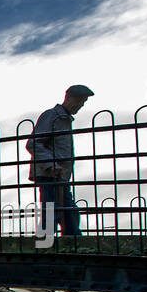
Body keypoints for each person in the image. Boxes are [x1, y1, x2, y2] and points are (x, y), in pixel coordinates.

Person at [26, 84, 93, 238]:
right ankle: (45, 248)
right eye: (80, 101)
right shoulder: (53, 116)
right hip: (50, 174)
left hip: (59, 176)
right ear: (69, 98)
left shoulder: (63, 119)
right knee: (53, 215)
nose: (81, 106)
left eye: (83, 103)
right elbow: (33, 143)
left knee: (68, 214)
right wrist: (51, 165)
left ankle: (70, 247)